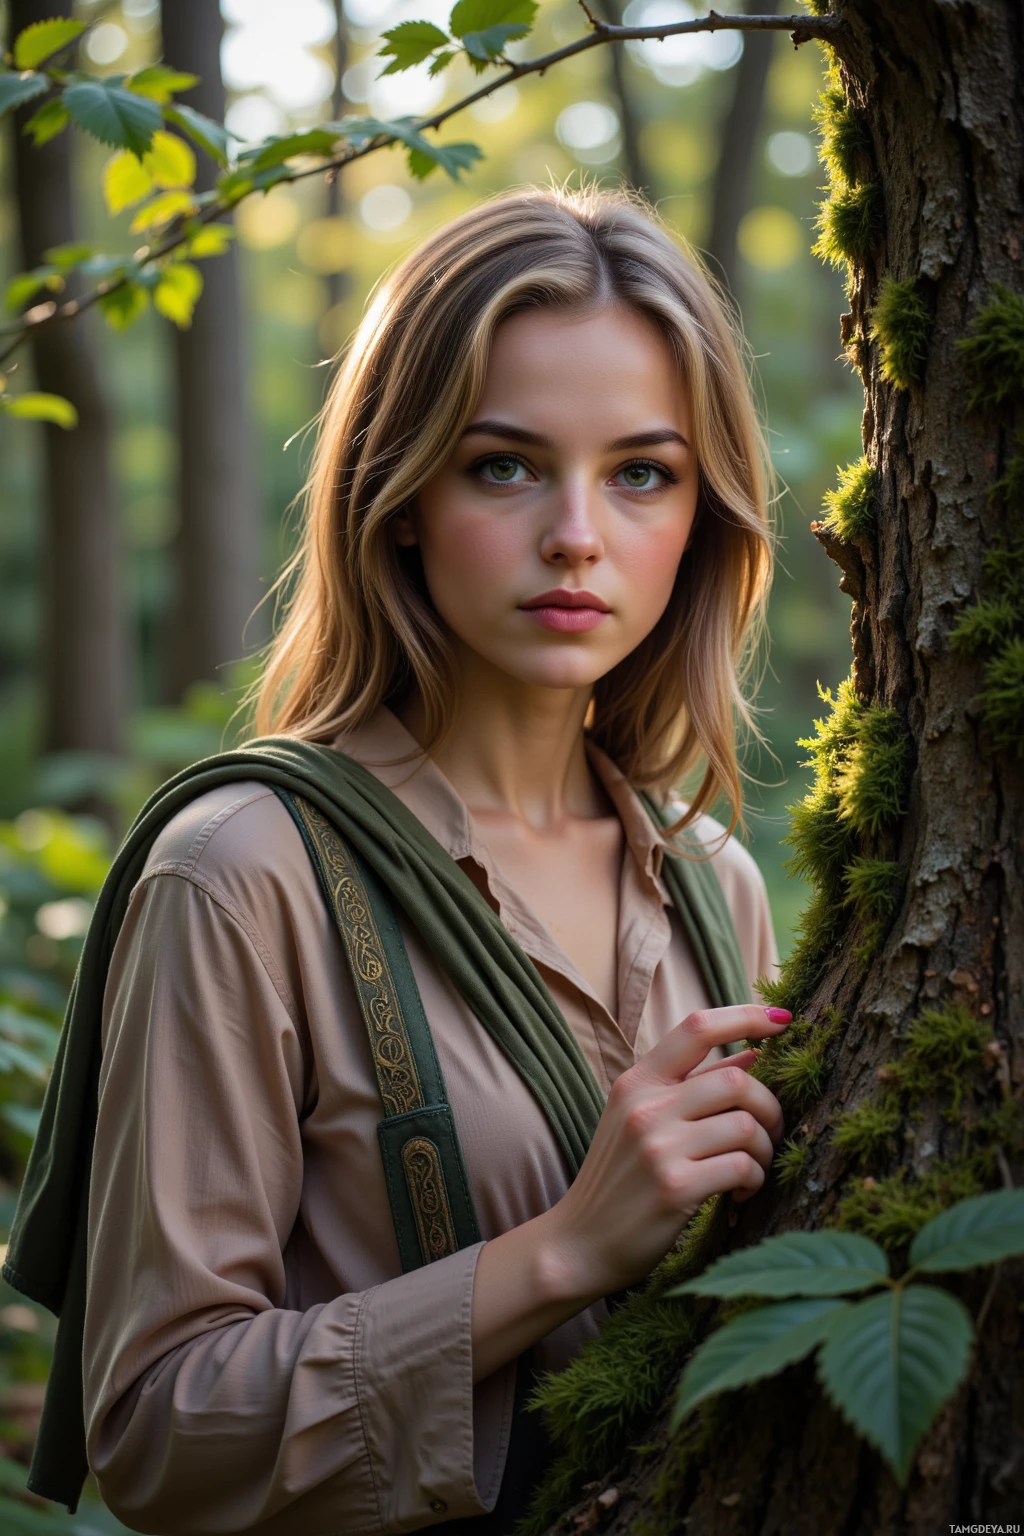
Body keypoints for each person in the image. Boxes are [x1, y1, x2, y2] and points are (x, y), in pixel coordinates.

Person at [79, 185, 791, 1534]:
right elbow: (157, 1432)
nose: (578, 533)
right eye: (505, 464)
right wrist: (560, 1253)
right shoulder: (243, 871)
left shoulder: (715, 883)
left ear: (703, 516)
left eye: (642, 472)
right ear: (399, 495)